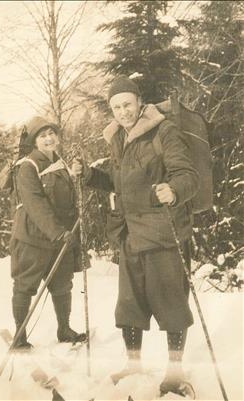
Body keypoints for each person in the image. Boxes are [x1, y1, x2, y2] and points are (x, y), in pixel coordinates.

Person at [71, 76, 199, 396]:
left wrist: (174, 189)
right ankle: (133, 363)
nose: (123, 111)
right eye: (116, 107)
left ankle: (174, 372)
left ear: (139, 101)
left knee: (171, 305)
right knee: (129, 306)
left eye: (127, 104)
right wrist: (89, 175)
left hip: (163, 234)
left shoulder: (163, 130)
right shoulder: (119, 137)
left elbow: (187, 174)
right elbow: (119, 180)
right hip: (130, 235)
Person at [10, 116, 86, 350]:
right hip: (33, 238)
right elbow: (35, 205)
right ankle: (20, 337)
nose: (49, 138)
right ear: (34, 142)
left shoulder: (62, 163)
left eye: (51, 133)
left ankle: (64, 329)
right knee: (25, 285)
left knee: (63, 285)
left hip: (61, 238)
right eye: (42, 136)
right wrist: (58, 233)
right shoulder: (28, 166)